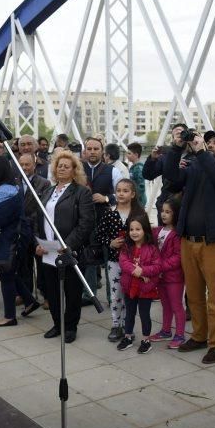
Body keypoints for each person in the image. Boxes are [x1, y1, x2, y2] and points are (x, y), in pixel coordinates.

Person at [163, 129, 215, 364]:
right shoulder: (195, 168)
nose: (209, 144)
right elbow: (171, 180)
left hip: (213, 244)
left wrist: (201, 152)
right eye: (207, 142)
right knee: (195, 296)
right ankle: (199, 336)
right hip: (189, 241)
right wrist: (176, 148)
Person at [35, 150, 94, 343]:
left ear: (74, 170)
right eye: (59, 166)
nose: (61, 168)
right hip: (48, 250)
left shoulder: (81, 192)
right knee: (51, 290)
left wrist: (67, 244)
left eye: (66, 166)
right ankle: (57, 323)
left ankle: (70, 327)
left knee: (72, 291)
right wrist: (38, 243)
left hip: (69, 251)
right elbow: (38, 218)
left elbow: (86, 223)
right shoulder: (48, 191)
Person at [0, 156, 40, 326]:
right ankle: (30, 301)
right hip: (13, 236)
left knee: (6, 276)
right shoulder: (12, 187)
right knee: (9, 273)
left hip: (9, 237)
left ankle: (9, 316)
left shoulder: (5, 191)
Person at [95, 179, 145, 341]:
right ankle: (116, 324)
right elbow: (99, 235)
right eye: (119, 190)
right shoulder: (109, 213)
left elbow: (148, 235)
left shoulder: (139, 214)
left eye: (125, 190)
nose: (121, 193)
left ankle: (128, 325)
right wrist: (110, 242)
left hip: (134, 262)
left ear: (133, 194)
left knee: (131, 294)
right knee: (116, 293)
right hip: (114, 261)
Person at [82, 137, 123, 305]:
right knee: (88, 259)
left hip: (106, 221)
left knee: (109, 259)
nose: (92, 152)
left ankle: (111, 296)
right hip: (84, 220)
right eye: (89, 149)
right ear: (85, 151)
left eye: (96, 149)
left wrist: (106, 198)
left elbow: (123, 193)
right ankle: (88, 295)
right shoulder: (78, 169)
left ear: (102, 151)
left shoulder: (112, 171)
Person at [116, 214, 161, 354]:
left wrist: (145, 271)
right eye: (131, 229)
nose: (134, 232)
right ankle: (128, 337)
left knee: (144, 315)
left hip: (145, 290)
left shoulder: (152, 248)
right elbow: (123, 262)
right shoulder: (126, 247)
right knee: (129, 313)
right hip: (129, 287)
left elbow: (157, 266)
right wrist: (139, 272)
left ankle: (146, 340)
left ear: (145, 230)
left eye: (138, 229)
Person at [148, 197, 185, 349]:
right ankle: (165, 330)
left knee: (176, 305)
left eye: (168, 212)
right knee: (165, 305)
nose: (163, 214)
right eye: (162, 211)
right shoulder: (157, 231)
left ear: (176, 214)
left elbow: (178, 256)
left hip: (174, 277)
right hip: (161, 277)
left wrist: (160, 266)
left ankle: (180, 334)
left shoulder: (177, 234)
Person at [17, 153, 51, 303]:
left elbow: (43, 208)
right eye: (21, 164)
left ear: (34, 165)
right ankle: (26, 294)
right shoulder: (14, 182)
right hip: (20, 230)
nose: (24, 168)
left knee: (42, 264)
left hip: (37, 229)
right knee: (24, 263)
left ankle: (47, 295)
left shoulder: (44, 183)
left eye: (27, 164)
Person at [143, 123, 189, 226]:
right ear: (173, 139)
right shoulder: (166, 156)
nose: (178, 135)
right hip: (166, 202)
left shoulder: (194, 156)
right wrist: (152, 159)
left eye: (181, 133)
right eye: (175, 134)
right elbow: (148, 175)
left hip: (186, 203)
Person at [126, 143, 146, 207]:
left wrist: (133, 197)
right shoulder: (134, 167)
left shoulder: (139, 168)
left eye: (129, 153)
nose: (127, 155)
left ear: (136, 155)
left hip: (138, 201)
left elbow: (141, 187)